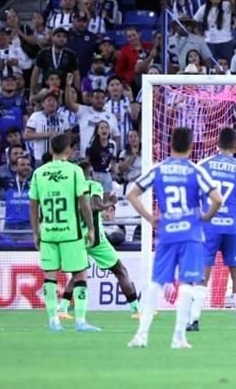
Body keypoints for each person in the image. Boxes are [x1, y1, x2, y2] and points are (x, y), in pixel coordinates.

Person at [126, 127, 222, 349]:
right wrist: (205, 216)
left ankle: (141, 335)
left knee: (156, 282)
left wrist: (150, 218)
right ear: (190, 146)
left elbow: (131, 193)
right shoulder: (196, 171)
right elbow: (216, 198)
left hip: (167, 232)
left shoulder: (159, 169)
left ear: (170, 145)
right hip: (191, 234)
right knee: (187, 283)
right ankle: (178, 337)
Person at [187, 127, 236, 333]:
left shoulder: (203, 166)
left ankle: (194, 320)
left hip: (208, 225)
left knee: (202, 273)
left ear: (217, 143)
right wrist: (234, 204)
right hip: (232, 227)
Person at [28, 133, 98, 332]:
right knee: (80, 275)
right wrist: (91, 228)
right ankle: (80, 321)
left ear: (51, 150)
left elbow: (33, 206)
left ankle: (53, 321)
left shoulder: (38, 173)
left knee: (50, 277)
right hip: (71, 233)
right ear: (69, 150)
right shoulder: (75, 171)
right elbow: (83, 203)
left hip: (48, 232)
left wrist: (35, 232)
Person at [57, 161, 140, 321]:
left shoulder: (67, 189)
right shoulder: (93, 185)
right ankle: (136, 310)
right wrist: (110, 203)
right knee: (120, 270)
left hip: (74, 238)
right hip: (94, 237)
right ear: (90, 173)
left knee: (77, 275)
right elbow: (95, 206)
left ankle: (62, 309)